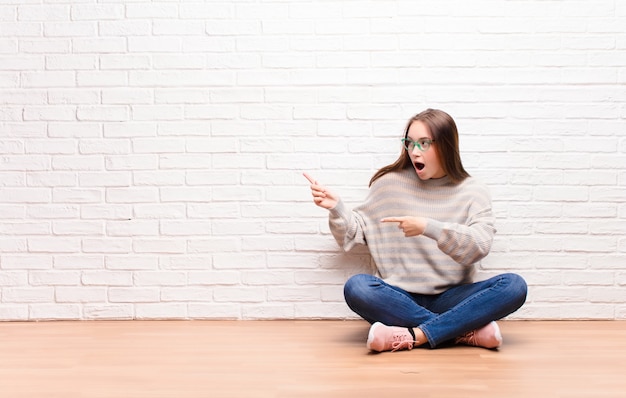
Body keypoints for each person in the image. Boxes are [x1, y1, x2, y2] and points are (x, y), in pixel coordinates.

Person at [304, 108, 527, 353]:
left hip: (453, 298)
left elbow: (479, 245)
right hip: (399, 298)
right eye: (410, 143)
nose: (414, 152)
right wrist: (337, 208)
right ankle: (461, 331)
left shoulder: (473, 190)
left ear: (445, 145)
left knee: (514, 286)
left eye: (424, 143)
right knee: (357, 287)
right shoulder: (389, 184)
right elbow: (356, 232)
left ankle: (415, 335)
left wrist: (428, 227)